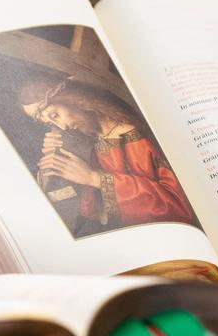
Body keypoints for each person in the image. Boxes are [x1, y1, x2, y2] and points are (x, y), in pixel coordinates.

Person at [18, 75, 198, 232]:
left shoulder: (133, 137)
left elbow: (179, 208)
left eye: (55, 115)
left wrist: (95, 179)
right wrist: (58, 158)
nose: (61, 127)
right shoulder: (93, 141)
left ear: (71, 99)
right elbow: (93, 211)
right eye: (48, 122)